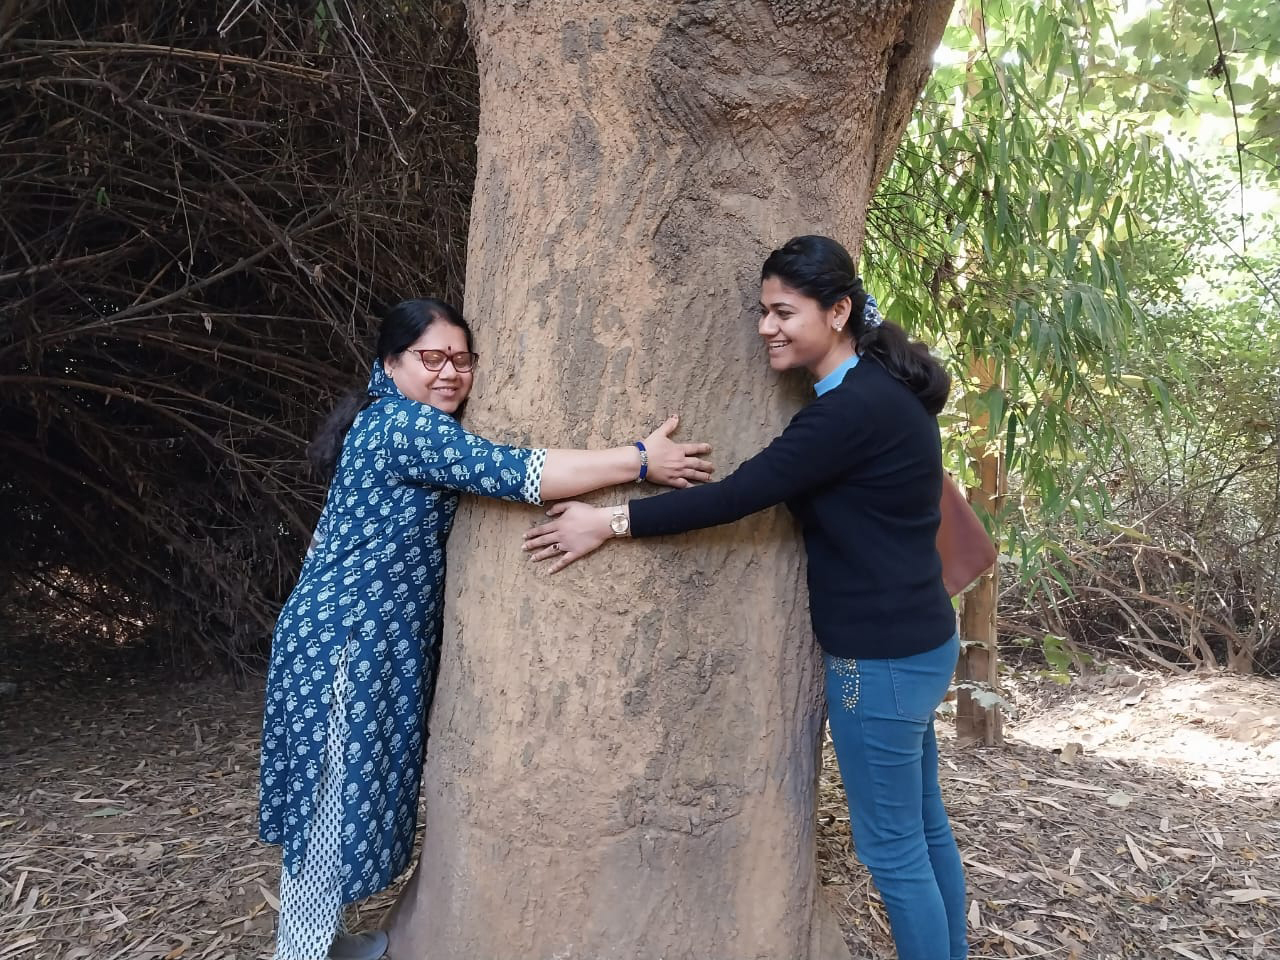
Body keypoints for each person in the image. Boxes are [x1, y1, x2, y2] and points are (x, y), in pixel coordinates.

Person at [523, 236, 968, 960]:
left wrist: (607, 521)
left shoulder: (846, 412)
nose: (766, 327)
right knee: (922, 826)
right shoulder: (885, 392)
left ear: (839, 310)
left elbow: (735, 496)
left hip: (878, 662)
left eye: (784, 312)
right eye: (762, 311)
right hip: (920, 643)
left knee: (891, 850)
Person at [258, 298, 714, 960]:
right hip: (345, 647)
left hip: (351, 637)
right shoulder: (402, 427)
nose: (449, 373)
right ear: (390, 364)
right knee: (330, 803)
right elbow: (519, 473)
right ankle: (299, 953)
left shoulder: (390, 420)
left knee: (340, 792)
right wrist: (640, 460)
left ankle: (320, 942)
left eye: (461, 360)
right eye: (430, 358)